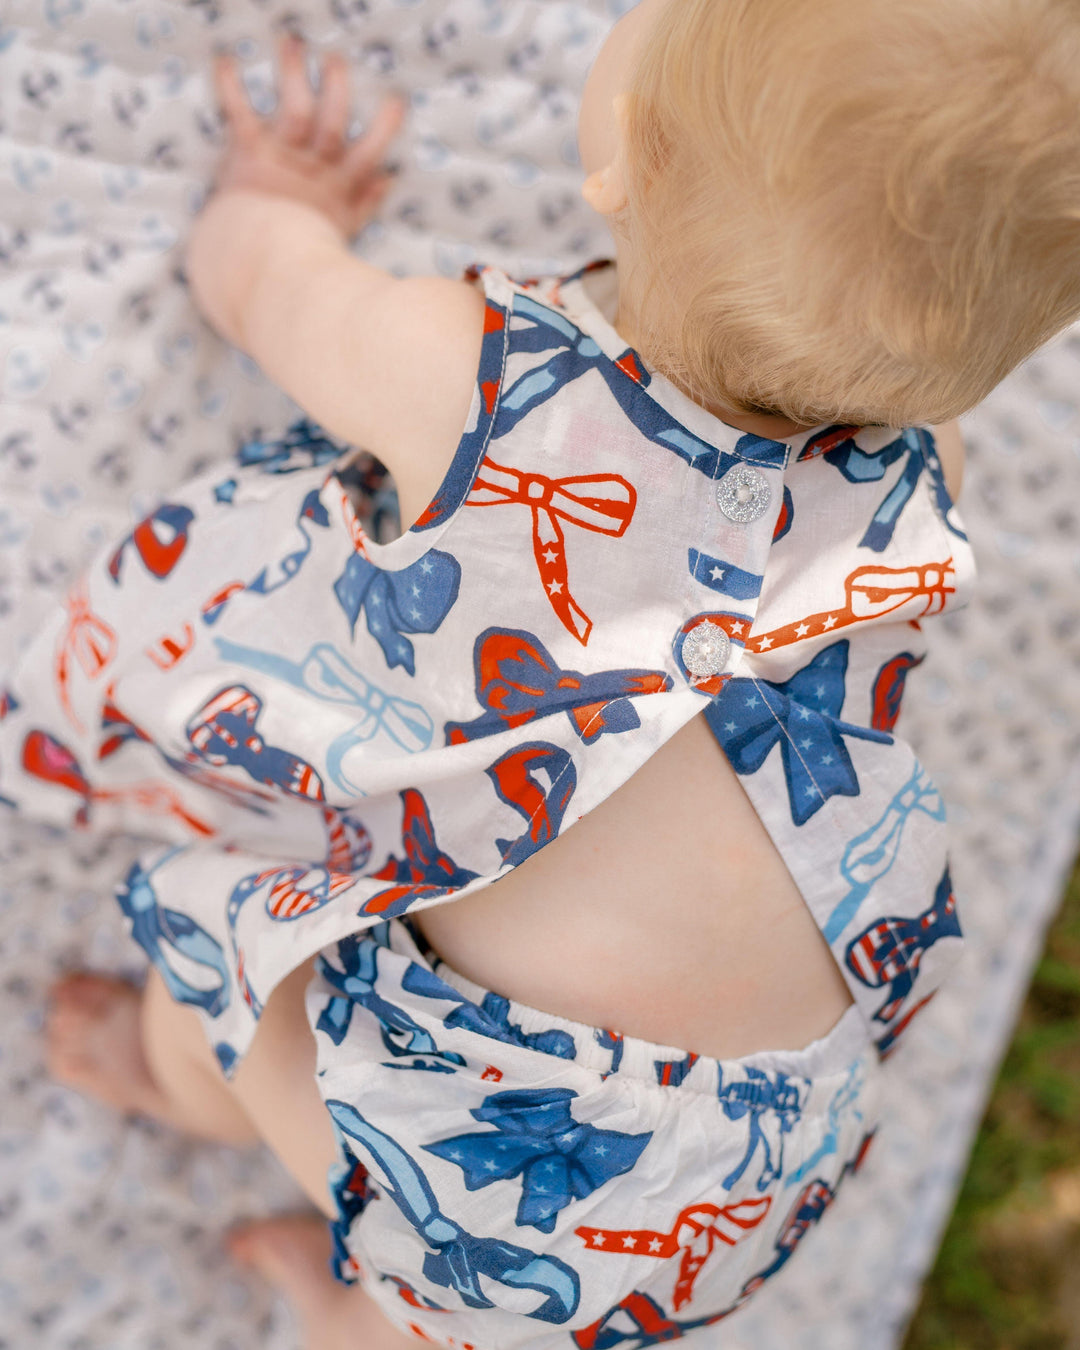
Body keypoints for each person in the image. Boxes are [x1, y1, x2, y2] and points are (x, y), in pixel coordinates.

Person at [5, 0, 1078, 1344]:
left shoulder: (479, 383)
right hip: (763, 1138)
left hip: (508, 1111)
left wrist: (276, 204)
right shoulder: (932, 476)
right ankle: (355, 1306)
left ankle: (173, 1083)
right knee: (442, 1324)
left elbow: (261, 282)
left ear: (620, 152)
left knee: (242, 981)